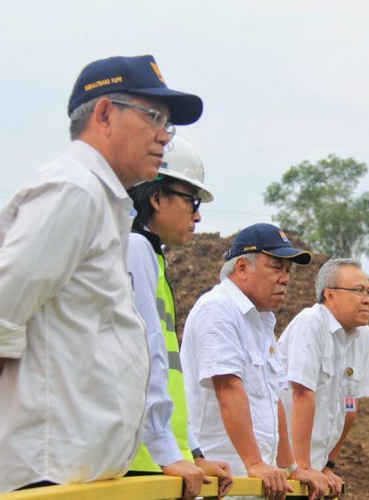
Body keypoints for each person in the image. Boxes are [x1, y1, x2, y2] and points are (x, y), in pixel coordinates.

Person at [0, 54, 202, 492]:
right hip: (46, 474)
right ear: (105, 114)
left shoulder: (104, 203)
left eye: (168, 123)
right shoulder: (73, 192)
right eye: (153, 116)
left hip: (78, 474)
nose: (164, 136)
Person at [181, 223, 329, 499]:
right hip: (222, 480)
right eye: (276, 267)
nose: (285, 278)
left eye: (288, 271)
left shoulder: (261, 320)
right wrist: (254, 462)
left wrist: (288, 468)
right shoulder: (218, 309)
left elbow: (273, 399)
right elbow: (227, 388)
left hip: (258, 479)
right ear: (242, 268)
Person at [126, 136, 233, 499]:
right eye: (193, 201)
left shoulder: (152, 258)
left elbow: (168, 377)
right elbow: (143, 359)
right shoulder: (135, 250)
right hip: (142, 460)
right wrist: (169, 453)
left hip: (158, 457)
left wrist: (192, 452)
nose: (198, 215)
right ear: (156, 198)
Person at [277, 258, 369, 495]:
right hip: (282, 467)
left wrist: (329, 464)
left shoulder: (362, 336)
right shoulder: (311, 324)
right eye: (358, 290)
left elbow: (350, 405)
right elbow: (302, 394)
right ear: (329, 295)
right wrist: (302, 466)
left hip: (315, 469)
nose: (367, 299)